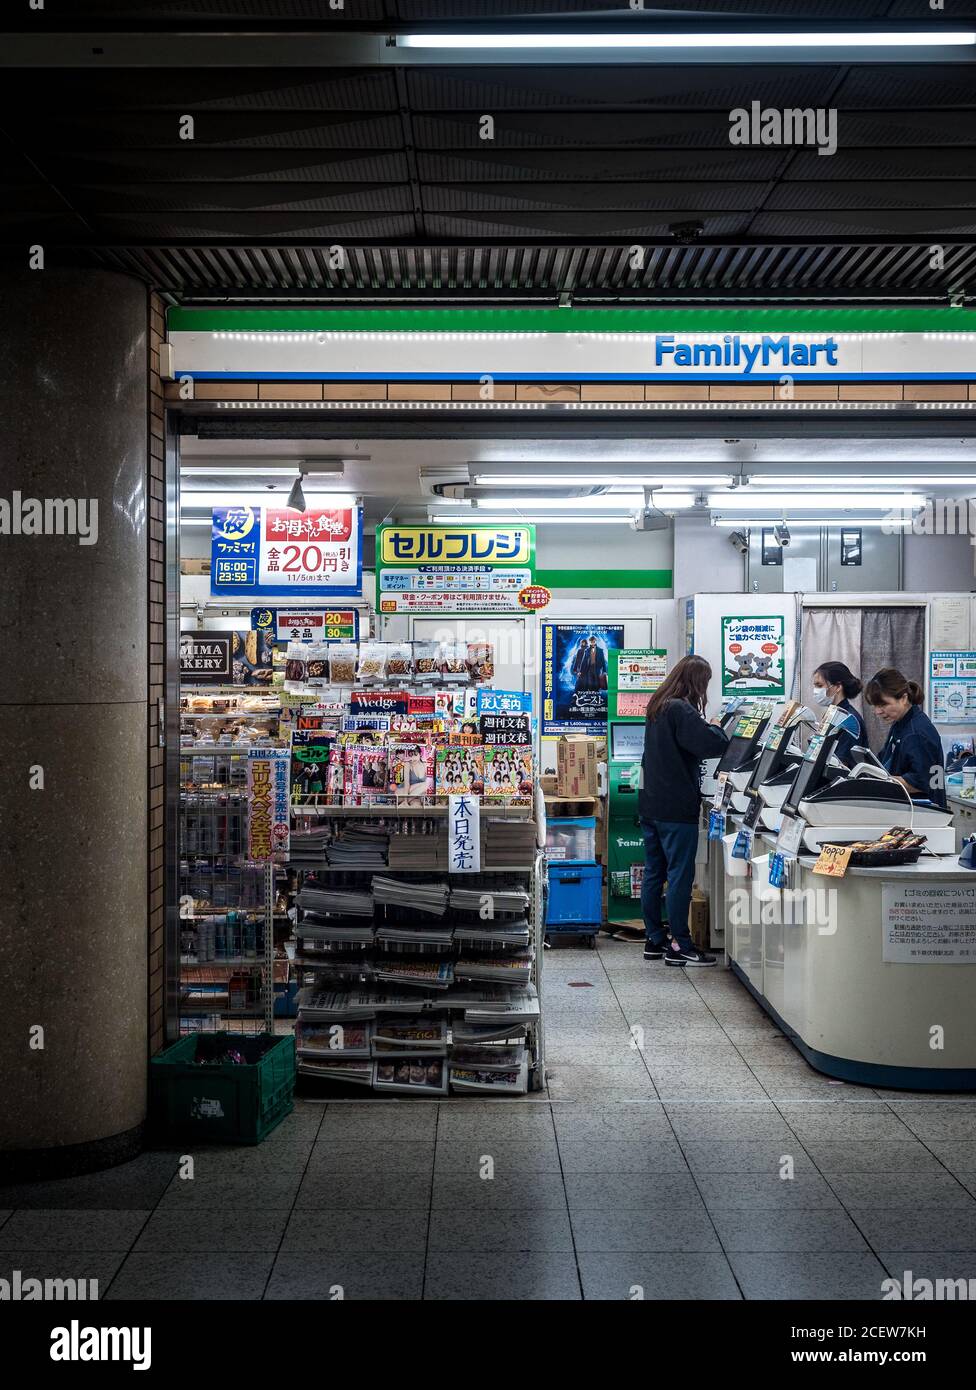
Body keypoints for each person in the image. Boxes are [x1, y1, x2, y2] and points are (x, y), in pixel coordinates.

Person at [639, 654, 730, 966]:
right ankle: (681, 944)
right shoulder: (681, 708)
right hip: (675, 807)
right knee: (679, 875)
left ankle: (654, 939)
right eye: (705, 683)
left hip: (651, 804)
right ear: (696, 681)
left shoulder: (658, 704)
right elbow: (710, 744)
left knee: (654, 872)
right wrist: (717, 726)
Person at [863, 667, 947, 810]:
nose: (877, 711)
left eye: (883, 704)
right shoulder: (900, 724)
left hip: (925, 814)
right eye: (875, 706)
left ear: (903, 698)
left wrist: (880, 782)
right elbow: (884, 762)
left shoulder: (917, 733)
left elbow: (919, 782)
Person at [812, 661, 867, 767]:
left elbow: (842, 764)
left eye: (819, 685)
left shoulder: (849, 720)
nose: (815, 691)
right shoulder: (832, 715)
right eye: (815, 686)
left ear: (837, 687)